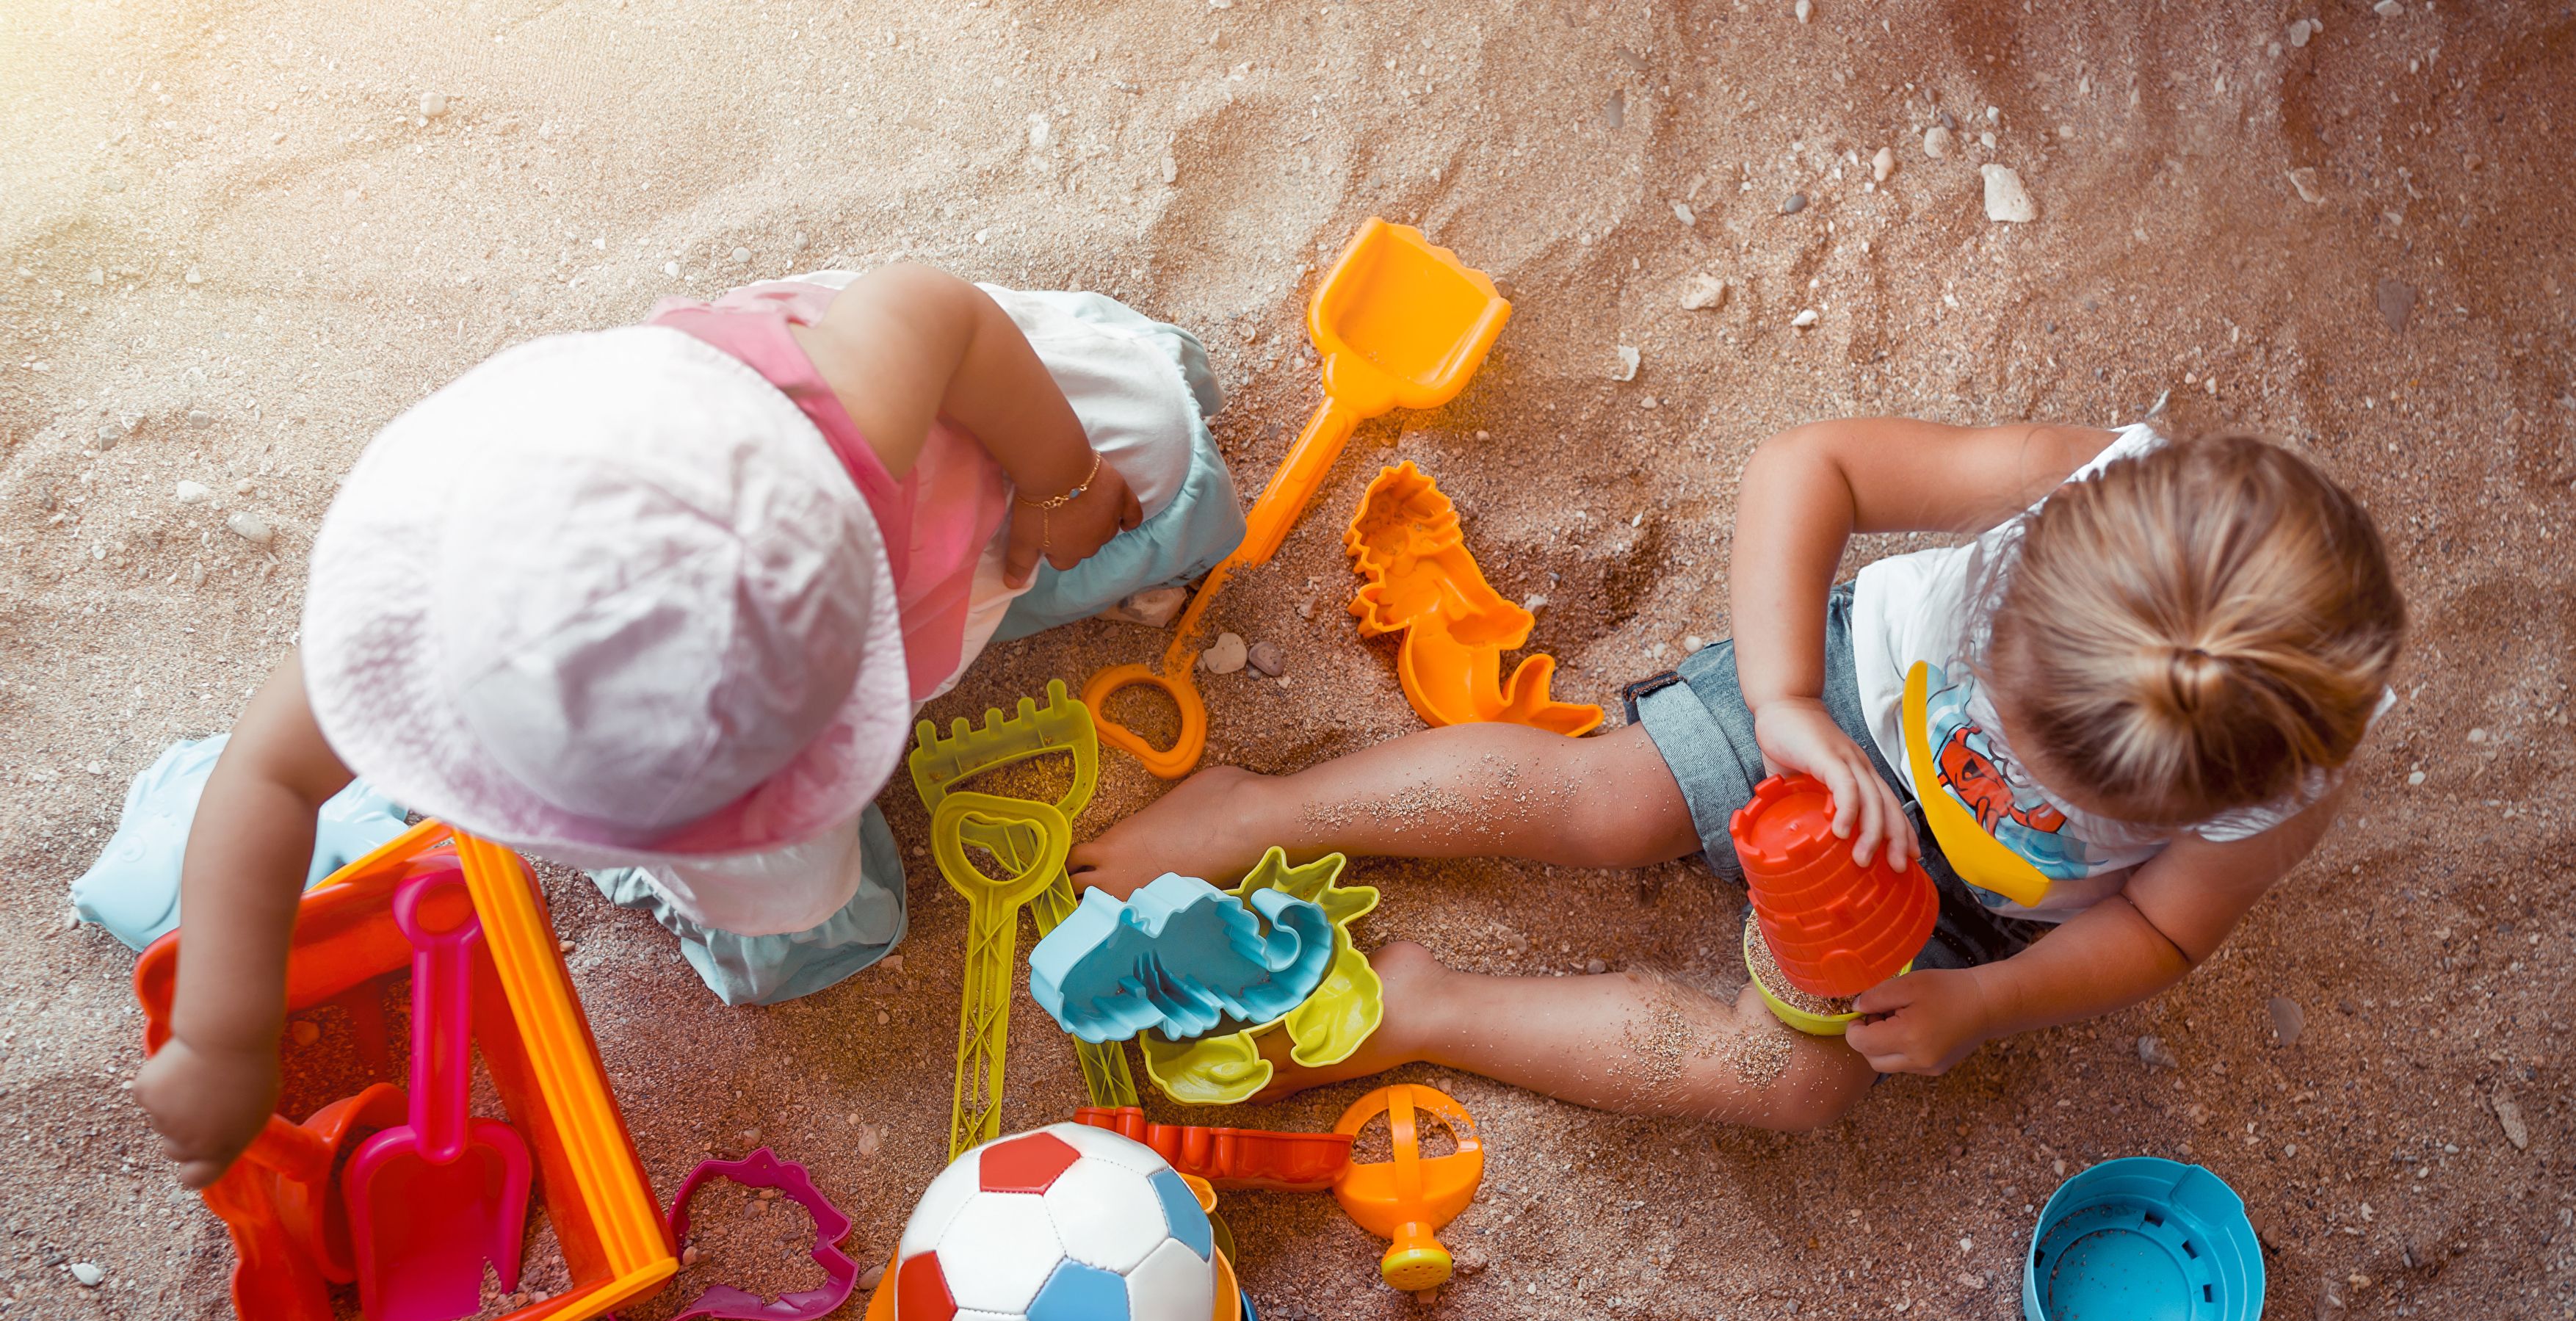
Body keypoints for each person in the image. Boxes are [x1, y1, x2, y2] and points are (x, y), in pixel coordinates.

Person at [137, 263, 1245, 1188]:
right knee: (804, 940)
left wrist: (1062, 482)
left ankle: (1099, 434)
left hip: (944, 506)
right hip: (872, 584)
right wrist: (221, 1034)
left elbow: (938, 311)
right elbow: (268, 781)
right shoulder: (432, 618)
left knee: (1161, 455)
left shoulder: (835, 418)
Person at [1070, 419, 2404, 1128]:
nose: (2014, 765)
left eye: (2085, 791)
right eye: (2008, 708)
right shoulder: (2073, 483)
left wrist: (1986, 1003)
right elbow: (1807, 468)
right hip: (1842, 705)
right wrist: (1782, 700)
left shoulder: (2278, 787)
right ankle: (1262, 807)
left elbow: (2164, 929)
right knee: (1601, 798)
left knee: (1793, 1086)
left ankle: (1431, 1010)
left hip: (1971, 912)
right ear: (2026, 573)